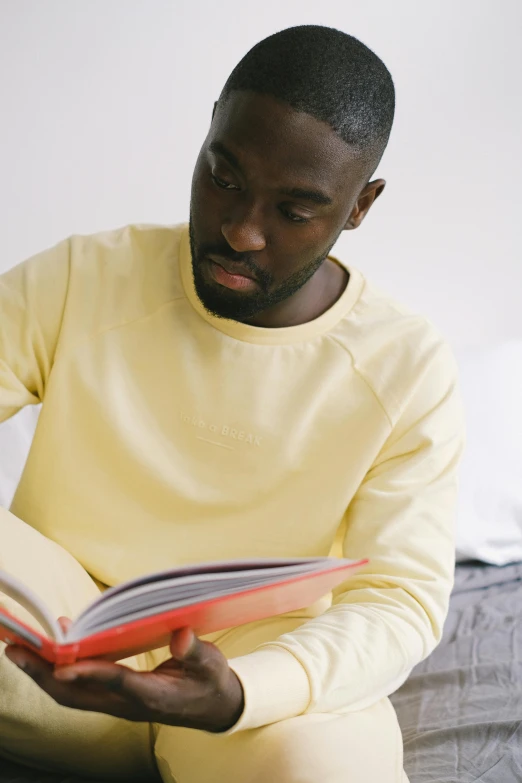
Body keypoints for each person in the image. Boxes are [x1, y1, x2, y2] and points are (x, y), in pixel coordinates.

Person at [0, 24, 464, 783]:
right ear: (211, 129)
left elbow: (399, 602)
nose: (241, 230)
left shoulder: (407, 367)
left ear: (360, 207)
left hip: (253, 688)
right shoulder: (85, 274)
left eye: (293, 210)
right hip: (51, 651)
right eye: (224, 177)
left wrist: (247, 692)